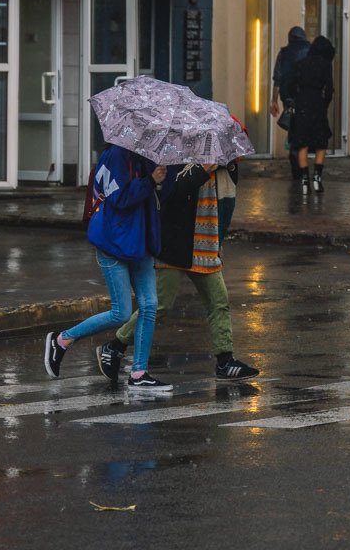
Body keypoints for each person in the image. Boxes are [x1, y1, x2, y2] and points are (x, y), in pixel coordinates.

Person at [96, 162, 261, 383]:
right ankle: (115, 346)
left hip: (206, 244)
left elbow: (228, 196)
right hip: (174, 244)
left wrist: (227, 165)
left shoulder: (222, 163)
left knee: (218, 302)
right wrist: (203, 169)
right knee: (161, 306)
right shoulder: (176, 157)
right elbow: (173, 192)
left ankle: (225, 361)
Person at [44, 144, 171, 390]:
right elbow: (120, 198)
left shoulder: (145, 155)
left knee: (150, 305)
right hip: (113, 244)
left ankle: (139, 373)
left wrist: (160, 181)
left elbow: (155, 197)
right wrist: (150, 181)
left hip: (140, 242)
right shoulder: (115, 155)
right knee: (121, 312)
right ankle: (61, 340)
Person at [286, 35, 335, 195]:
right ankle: (317, 179)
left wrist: (296, 99)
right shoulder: (326, 65)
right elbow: (329, 89)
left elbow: (291, 85)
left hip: (302, 104)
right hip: (317, 104)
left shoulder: (301, 64)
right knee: (321, 143)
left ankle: (305, 180)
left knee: (302, 143)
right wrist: (324, 103)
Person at [270, 26, 311, 179]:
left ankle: (296, 167)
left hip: (289, 99)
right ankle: (302, 164)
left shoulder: (284, 53)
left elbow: (277, 78)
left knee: (294, 132)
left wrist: (274, 101)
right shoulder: (311, 51)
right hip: (307, 98)